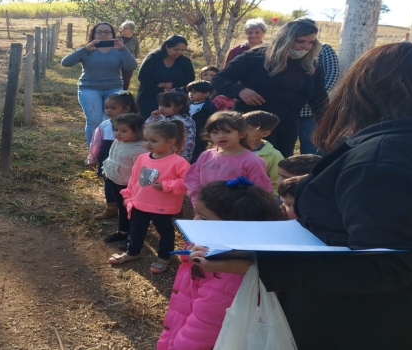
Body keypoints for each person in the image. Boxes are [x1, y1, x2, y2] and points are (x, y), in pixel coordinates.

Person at [192, 42, 412, 349]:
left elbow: (385, 263)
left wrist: (257, 261)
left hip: (360, 325)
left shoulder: (383, 159)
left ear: (363, 89)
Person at [157, 178, 284, 350]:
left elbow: (200, 333)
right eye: (196, 213)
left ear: (238, 228)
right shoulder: (211, 254)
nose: (195, 222)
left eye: (204, 218)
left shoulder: (227, 279)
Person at [211, 18, 328, 157]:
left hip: (287, 126)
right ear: (286, 39)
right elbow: (218, 79)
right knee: (249, 167)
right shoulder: (256, 56)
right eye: (301, 41)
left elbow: (319, 98)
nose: (306, 46)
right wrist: (240, 91)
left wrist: (329, 124)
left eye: (311, 42)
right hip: (252, 126)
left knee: (280, 167)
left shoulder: (310, 65)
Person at [109, 121, 190, 274]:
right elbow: (134, 179)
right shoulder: (142, 158)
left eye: (154, 141)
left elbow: (187, 183)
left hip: (162, 207)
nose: (148, 144)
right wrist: (128, 195)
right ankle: (132, 252)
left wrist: (167, 186)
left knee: (165, 231)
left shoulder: (179, 162)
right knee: (136, 229)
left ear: (171, 141)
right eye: (146, 140)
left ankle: (164, 257)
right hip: (139, 203)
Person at [62, 22, 138, 145]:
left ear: (112, 34)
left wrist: (122, 48)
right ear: (94, 34)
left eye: (107, 32)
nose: (103, 34)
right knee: (94, 120)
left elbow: (131, 66)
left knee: (112, 120)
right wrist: (86, 48)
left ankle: (108, 150)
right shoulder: (86, 49)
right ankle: (93, 152)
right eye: (99, 32)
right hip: (89, 88)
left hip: (113, 89)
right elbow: (66, 63)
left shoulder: (119, 49)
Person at [184, 111, 272, 208]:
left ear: (241, 134)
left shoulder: (252, 161)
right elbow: (193, 180)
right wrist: (198, 202)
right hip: (206, 209)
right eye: (215, 132)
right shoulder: (206, 155)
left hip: (235, 213)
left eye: (227, 131)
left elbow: (262, 191)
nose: (221, 136)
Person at [87, 91, 139, 220]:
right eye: (106, 108)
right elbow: (95, 144)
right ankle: (111, 208)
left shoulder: (137, 125)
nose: (109, 111)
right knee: (108, 183)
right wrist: (92, 158)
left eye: (113, 108)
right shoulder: (104, 125)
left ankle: (130, 208)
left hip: (128, 162)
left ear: (127, 108)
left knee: (129, 184)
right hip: (108, 161)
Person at [102, 113, 148, 246]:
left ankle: (133, 237)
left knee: (131, 212)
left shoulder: (141, 150)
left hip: (127, 187)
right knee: (122, 210)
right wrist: (106, 171)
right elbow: (112, 157)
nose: (118, 133)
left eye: (123, 131)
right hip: (114, 181)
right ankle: (122, 232)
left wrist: (136, 188)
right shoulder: (118, 142)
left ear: (138, 131)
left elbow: (142, 171)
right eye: (116, 130)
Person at [136, 35, 195, 119]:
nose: (179, 52)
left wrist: (172, 84)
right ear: (167, 47)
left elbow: (190, 77)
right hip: (150, 95)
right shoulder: (153, 58)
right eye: (176, 49)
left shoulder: (185, 61)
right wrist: (160, 89)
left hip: (174, 98)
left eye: (182, 50)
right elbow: (142, 77)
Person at [298, 41, 340, 154]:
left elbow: (333, 72)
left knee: (311, 145)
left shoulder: (324, 48)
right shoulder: (288, 49)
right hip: (288, 110)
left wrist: (317, 94)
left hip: (310, 111)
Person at [147, 91, 195, 162]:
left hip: (176, 156)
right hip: (157, 153)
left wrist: (184, 158)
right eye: (160, 105)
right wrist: (153, 118)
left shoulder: (186, 121)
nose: (161, 109)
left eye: (166, 106)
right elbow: (146, 130)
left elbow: (189, 142)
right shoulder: (159, 117)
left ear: (179, 107)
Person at [242, 110, 284, 189]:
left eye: (249, 129)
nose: (242, 131)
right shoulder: (229, 149)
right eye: (240, 126)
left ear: (265, 134)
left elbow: (277, 182)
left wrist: (271, 200)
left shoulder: (274, 156)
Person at [186, 81, 217, 163]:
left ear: (206, 94)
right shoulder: (186, 105)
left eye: (194, 92)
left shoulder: (209, 108)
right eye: (189, 92)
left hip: (200, 136)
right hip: (186, 135)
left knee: (197, 155)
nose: (190, 94)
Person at [119, 20, 140, 89]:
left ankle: (124, 97)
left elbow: (136, 52)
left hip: (128, 64)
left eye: (126, 28)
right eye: (123, 28)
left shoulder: (135, 41)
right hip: (116, 63)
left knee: (126, 81)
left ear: (131, 30)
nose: (123, 29)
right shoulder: (117, 39)